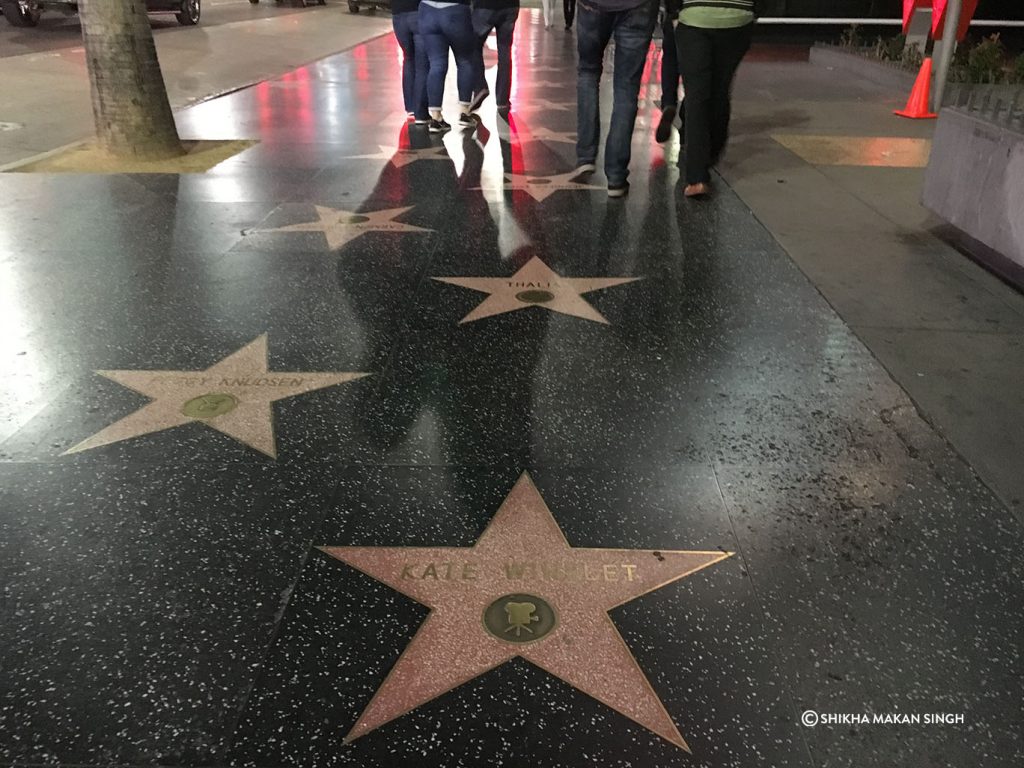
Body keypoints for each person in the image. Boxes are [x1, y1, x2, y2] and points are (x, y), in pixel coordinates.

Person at [669, 0, 757, 197]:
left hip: (695, 17)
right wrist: (754, 10)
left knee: (696, 97)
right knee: (720, 91)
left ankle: (697, 176)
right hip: (738, 18)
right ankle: (711, 153)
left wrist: (674, 10)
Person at [575, 0, 658, 198]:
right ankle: (616, 176)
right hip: (639, 6)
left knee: (588, 73)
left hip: (592, 5)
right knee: (627, 88)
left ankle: (586, 156)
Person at [419, 0, 487, 132]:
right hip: (455, 10)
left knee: (436, 63)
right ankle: (464, 113)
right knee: (465, 61)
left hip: (427, 9)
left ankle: (435, 118)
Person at [470, 0, 519, 113]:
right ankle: (503, 100)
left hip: (485, 6)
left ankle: (480, 85)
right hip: (511, 6)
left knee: (473, 45)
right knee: (505, 51)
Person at [391, 0, 430, 126]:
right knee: (422, 64)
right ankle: (421, 112)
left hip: (398, 14)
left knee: (408, 59)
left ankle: (411, 108)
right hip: (418, 12)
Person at [654, 0, 681, 143]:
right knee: (696, 68)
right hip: (700, 14)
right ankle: (687, 114)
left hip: (677, 11)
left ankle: (669, 101)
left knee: (670, 58)